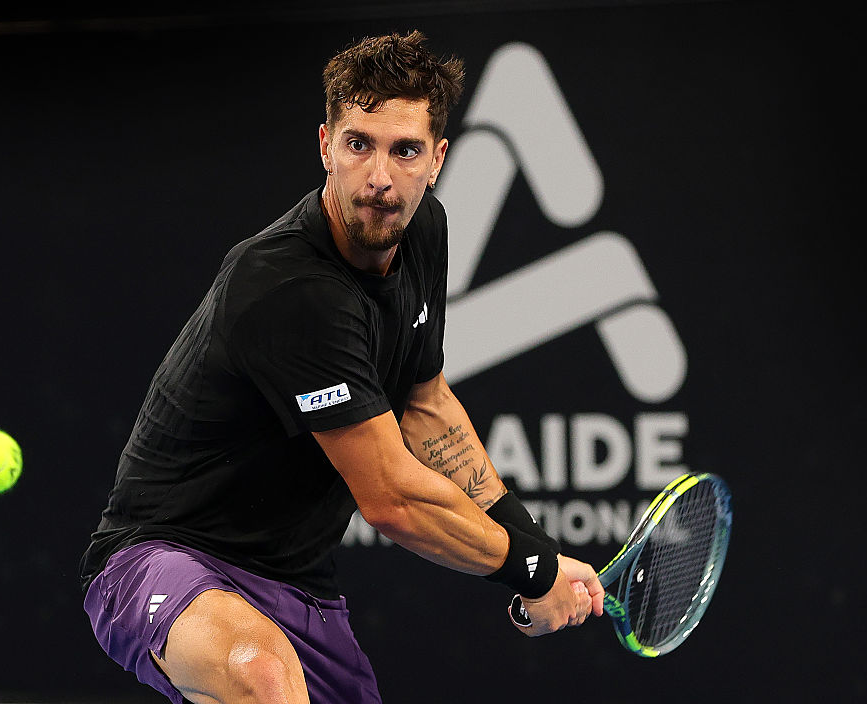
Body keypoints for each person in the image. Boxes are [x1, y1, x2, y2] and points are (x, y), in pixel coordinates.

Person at [79, 30, 604, 704]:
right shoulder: (290, 288)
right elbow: (392, 498)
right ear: (325, 143)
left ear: (438, 159)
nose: (380, 177)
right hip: (159, 558)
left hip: (295, 582)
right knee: (258, 672)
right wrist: (532, 570)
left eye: (405, 150)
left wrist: (538, 549)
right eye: (359, 144)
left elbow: (426, 405)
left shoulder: (425, 235)